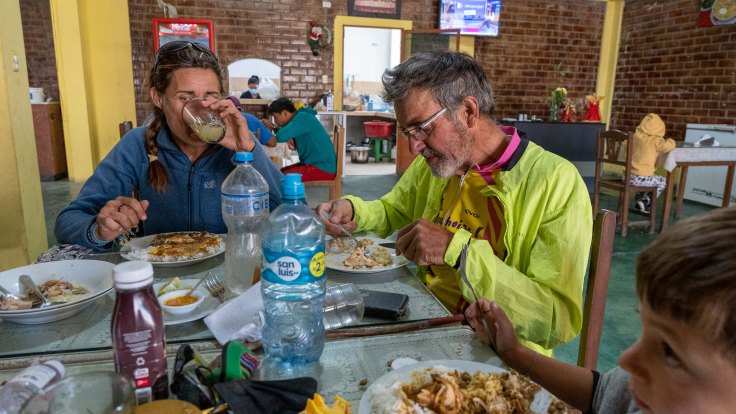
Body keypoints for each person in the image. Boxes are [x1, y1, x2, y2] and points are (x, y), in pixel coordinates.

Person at [317, 51, 592, 355]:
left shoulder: (554, 182)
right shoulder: (437, 164)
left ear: (468, 112)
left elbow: (554, 319)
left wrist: (458, 251)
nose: (414, 146)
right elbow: (394, 209)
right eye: (407, 132)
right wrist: (353, 210)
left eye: (423, 127)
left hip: (499, 354)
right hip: (425, 320)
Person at [466, 207, 736, 413]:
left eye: (669, 351)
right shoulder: (648, 396)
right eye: (643, 330)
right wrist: (515, 353)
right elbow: (602, 393)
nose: (627, 360)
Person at [55, 41, 283, 250]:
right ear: (158, 98)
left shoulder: (240, 145)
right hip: (162, 270)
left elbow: (291, 213)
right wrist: (99, 229)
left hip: (228, 268)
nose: (200, 109)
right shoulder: (138, 144)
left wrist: (248, 153)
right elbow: (69, 220)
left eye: (210, 97)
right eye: (185, 98)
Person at [265, 97, 337, 181]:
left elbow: (280, 137)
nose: (275, 121)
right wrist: (273, 127)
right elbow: (284, 135)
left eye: (275, 117)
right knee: (280, 172)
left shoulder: (302, 118)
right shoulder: (301, 117)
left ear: (285, 113)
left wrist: (271, 129)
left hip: (322, 168)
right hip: (318, 165)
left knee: (281, 177)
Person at [630, 113, 676, 213]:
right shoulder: (655, 141)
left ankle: (640, 199)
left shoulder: (634, 137)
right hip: (641, 179)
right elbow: (668, 146)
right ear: (659, 128)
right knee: (662, 181)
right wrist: (671, 140)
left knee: (650, 179)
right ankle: (645, 202)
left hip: (627, 176)